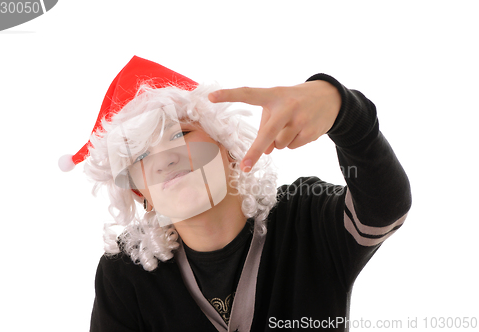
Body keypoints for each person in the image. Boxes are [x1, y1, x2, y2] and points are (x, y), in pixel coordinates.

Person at [59, 56, 411, 331]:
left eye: (181, 133)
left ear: (226, 148)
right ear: (141, 194)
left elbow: (385, 206)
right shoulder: (126, 275)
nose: (165, 160)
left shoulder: (304, 216)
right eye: (140, 156)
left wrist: (341, 109)